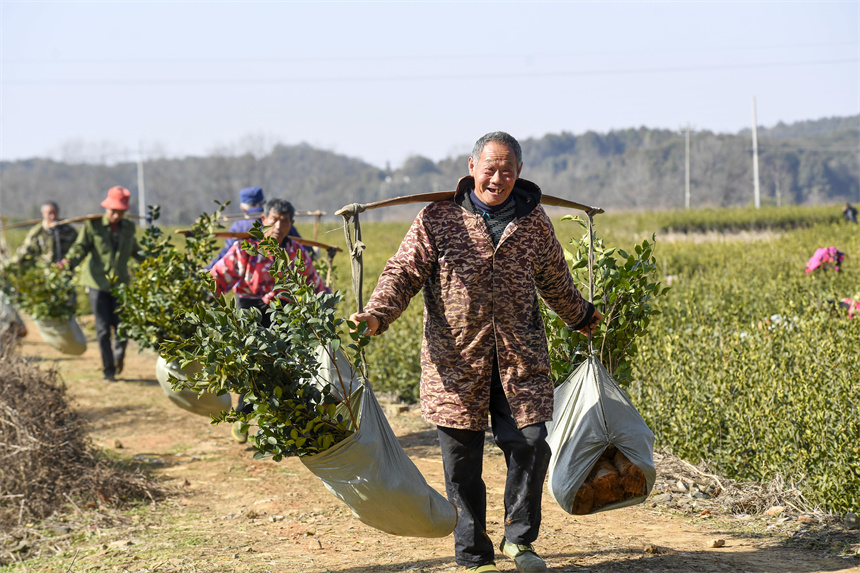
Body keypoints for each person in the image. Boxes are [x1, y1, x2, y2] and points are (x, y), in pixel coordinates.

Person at [349, 131, 602, 573]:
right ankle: (473, 554)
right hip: (455, 363)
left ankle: (519, 540)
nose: (498, 178)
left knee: (531, 444)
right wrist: (375, 315)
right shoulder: (438, 219)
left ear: (519, 173)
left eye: (507, 170)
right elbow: (402, 272)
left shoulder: (533, 222)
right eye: (490, 169)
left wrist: (581, 317)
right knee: (462, 464)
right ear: (471, 168)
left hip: (518, 360)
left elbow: (556, 282)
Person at [209, 197, 330, 442]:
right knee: (253, 368)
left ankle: (273, 430)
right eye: (274, 219)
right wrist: (203, 289)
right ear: (264, 220)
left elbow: (313, 283)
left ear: (291, 224)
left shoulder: (296, 251)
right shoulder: (246, 248)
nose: (278, 225)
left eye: (284, 221)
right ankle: (243, 417)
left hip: (283, 313)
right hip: (249, 311)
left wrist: (326, 306)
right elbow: (220, 274)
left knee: (282, 369)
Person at [60, 186, 145, 382]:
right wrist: (68, 262)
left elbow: (135, 250)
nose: (116, 215)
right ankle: (109, 371)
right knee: (103, 329)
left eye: (120, 212)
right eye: (113, 210)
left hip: (120, 284)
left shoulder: (128, 228)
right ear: (107, 208)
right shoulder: (93, 226)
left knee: (122, 328)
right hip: (97, 283)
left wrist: (157, 262)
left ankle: (118, 357)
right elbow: (80, 248)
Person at [207, 186, 308, 269]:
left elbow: (226, 255)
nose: (277, 227)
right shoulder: (284, 224)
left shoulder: (238, 226)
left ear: (243, 208)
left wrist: (208, 269)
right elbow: (305, 247)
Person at [4, 201, 78, 269]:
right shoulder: (37, 232)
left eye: (55, 213)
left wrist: (69, 260)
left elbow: (78, 247)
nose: (53, 216)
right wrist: (10, 267)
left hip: (65, 270)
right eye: (49, 213)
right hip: (44, 272)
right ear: (43, 214)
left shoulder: (68, 230)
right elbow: (24, 251)